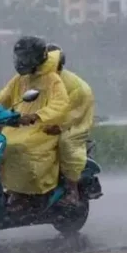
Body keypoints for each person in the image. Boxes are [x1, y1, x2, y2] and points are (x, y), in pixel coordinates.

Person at [0, 36, 70, 212]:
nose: (21, 62)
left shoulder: (52, 79)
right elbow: (1, 98)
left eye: (25, 57)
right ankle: (7, 189)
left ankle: (24, 194)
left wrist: (38, 116)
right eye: (19, 57)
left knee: (19, 147)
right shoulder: (20, 80)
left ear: (36, 58)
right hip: (17, 127)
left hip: (41, 129)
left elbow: (60, 103)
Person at [45, 44, 95, 206]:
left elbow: (73, 113)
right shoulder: (37, 81)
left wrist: (58, 126)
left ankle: (71, 189)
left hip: (76, 123)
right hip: (49, 121)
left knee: (65, 142)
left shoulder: (74, 86)